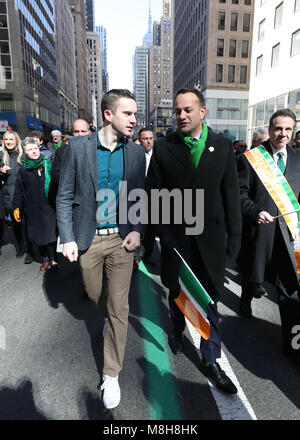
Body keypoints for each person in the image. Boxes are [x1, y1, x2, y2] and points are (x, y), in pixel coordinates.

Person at [147, 88, 241, 394]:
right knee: (178, 293)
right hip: (177, 243)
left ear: (202, 112)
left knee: (209, 299)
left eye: (188, 110)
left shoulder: (224, 147)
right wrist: (158, 237)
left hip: (212, 242)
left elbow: (231, 196)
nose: (182, 116)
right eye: (177, 111)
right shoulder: (163, 147)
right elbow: (154, 196)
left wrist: (235, 238)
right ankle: (176, 329)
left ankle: (210, 358)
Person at [56, 89, 146, 409]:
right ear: (108, 115)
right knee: (99, 300)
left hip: (122, 241)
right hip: (88, 241)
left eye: (135, 114)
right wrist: (67, 237)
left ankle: (111, 373)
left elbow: (139, 198)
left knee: (119, 308)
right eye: (128, 114)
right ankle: (109, 321)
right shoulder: (78, 148)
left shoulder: (135, 153)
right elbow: (65, 195)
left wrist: (137, 230)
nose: (135, 119)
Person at [237, 109, 300, 363]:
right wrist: (255, 211)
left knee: (290, 288)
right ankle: (246, 297)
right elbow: (239, 195)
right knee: (254, 271)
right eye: (278, 129)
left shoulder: (298, 159)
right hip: (259, 230)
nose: (283, 134)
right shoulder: (251, 158)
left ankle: (292, 343)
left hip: (289, 234)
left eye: (288, 129)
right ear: (270, 128)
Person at [13, 138, 58, 271]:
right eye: (30, 150)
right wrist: (17, 207)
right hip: (32, 208)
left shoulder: (48, 164)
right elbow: (19, 190)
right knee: (39, 235)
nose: (33, 151)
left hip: (49, 205)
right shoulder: (23, 169)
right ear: (25, 152)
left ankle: (53, 258)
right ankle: (45, 259)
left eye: (35, 148)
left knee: (51, 234)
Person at [0, 131, 26, 258]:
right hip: (9, 196)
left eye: (11, 139)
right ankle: (21, 247)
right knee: (16, 224)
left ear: (16, 140)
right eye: (6, 139)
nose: (9, 142)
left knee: (27, 223)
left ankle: (31, 249)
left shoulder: (23, 155)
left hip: (24, 195)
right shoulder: (2, 157)